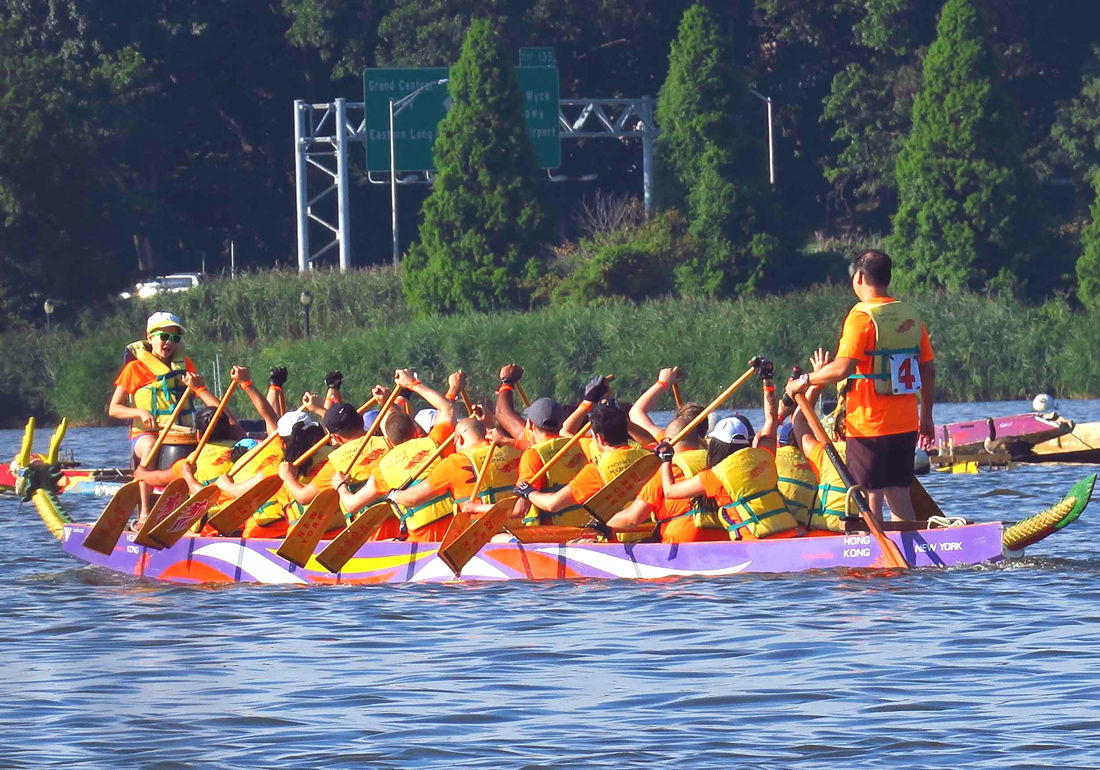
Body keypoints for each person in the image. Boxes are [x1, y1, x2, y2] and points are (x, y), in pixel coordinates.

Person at [785, 249, 935, 522]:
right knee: (900, 496)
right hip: (905, 423)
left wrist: (803, 381)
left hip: (869, 425)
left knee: (870, 496)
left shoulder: (861, 317)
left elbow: (842, 368)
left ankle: (876, 551)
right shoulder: (910, 315)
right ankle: (909, 546)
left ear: (860, 277)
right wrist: (926, 417)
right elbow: (928, 369)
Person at [660, 364, 802, 541]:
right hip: (791, 536)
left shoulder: (716, 476)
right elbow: (771, 419)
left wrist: (665, 459)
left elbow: (670, 491)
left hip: (754, 544)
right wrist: (767, 380)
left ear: (715, 445)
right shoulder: (764, 456)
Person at [515, 401, 650, 527]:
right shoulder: (650, 457)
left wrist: (528, 492)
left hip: (612, 539)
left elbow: (552, 504)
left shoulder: (597, 470)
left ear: (599, 438)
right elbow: (651, 441)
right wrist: (619, 419)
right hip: (649, 533)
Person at [603, 413, 725, 543]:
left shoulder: (665, 470)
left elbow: (632, 519)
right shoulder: (716, 462)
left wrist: (603, 521)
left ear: (666, 441)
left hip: (683, 542)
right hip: (723, 538)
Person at [509, 396, 590, 526]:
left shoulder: (533, 455)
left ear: (530, 424)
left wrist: (479, 509)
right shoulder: (579, 445)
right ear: (561, 424)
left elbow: (520, 510)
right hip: (586, 527)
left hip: (551, 533)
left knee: (499, 536)